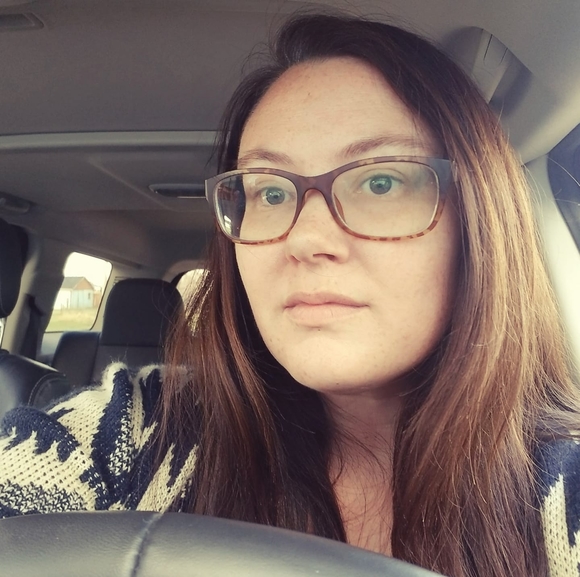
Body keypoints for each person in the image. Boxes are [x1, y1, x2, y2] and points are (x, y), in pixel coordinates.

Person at [1, 12, 579, 577]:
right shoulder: (135, 427)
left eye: (380, 181)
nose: (304, 239)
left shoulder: (562, 484)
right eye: (270, 193)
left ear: (479, 219)